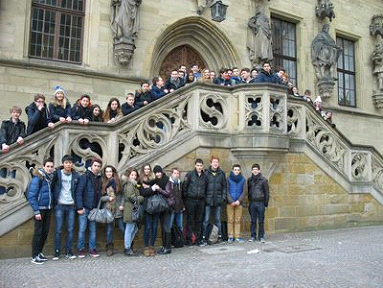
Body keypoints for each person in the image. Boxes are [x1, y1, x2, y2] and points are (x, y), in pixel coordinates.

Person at [52, 155, 80, 260]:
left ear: (72, 164)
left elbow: (78, 191)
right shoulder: (57, 174)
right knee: (58, 229)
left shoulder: (76, 175)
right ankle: (57, 251)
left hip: (71, 205)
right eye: (66, 162)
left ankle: (69, 251)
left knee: (70, 229)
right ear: (63, 163)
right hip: (59, 204)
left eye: (70, 163)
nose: (68, 164)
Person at [27, 158, 55, 264]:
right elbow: (32, 196)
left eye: (51, 166)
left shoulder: (50, 177)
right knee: (38, 232)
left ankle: (39, 252)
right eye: (47, 166)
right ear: (43, 167)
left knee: (45, 231)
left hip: (48, 208)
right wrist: (36, 211)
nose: (49, 168)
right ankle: (34, 256)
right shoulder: (38, 178)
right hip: (40, 209)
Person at [75, 158, 103, 258]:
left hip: (94, 208)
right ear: (91, 166)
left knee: (93, 229)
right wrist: (79, 207)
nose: (97, 168)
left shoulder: (100, 178)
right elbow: (79, 192)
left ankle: (92, 249)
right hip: (84, 208)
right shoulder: (85, 176)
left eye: (99, 166)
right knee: (82, 229)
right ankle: (81, 249)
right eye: (95, 166)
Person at [0, 106, 26, 194]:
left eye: (18, 113)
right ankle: (2, 191)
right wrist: (3, 143)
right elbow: (2, 134)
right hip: (5, 149)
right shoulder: (5, 123)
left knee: (13, 169)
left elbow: (23, 132)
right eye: (14, 112)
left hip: (15, 149)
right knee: (3, 169)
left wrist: (21, 137)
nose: (16, 114)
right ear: (11, 113)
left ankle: (10, 188)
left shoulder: (21, 124)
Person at [202, 156, 227, 245]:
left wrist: (223, 197)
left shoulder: (221, 173)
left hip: (218, 200)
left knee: (218, 219)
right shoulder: (206, 173)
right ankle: (204, 237)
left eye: (217, 162)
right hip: (208, 200)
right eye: (214, 162)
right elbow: (203, 187)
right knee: (206, 220)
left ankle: (219, 236)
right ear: (210, 163)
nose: (215, 163)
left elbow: (224, 187)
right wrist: (205, 198)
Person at [182, 158, 207, 246]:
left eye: (200, 166)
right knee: (190, 220)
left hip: (200, 201)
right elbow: (184, 187)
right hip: (191, 200)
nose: (199, 167)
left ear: (202, 166)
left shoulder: (205, 175)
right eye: (198, 165)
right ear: (195, 166)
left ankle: (198, 239)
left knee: (199, 221)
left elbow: (206, 188)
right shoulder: (190, 174)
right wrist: (186, 198)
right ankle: (189, 239)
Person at [121, 167, 143, 256]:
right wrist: (141, 198)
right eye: (132, 175)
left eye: (135, 175)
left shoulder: (133, 184)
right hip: (130, 209)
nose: (134, 177)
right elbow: (132, 197)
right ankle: (127, 248)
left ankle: (128, 247)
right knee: (129, 229)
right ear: (128, 175)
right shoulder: (129, 185)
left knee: (134, 228)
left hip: (133, 208)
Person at [101, 165, 122, 256]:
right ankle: (109, 247)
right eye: (107, 172)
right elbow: (100, 198)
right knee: (109, 229)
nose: (108, 173)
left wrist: (122, 205)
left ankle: (129, 245)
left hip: (118, 209)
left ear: (113, 172)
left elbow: (122, 195)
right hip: (108, 209)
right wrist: (107, 198)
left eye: (110, 171)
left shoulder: (118, 182)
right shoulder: (103, 182)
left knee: (122, 227)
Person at [151, 165, 172, 255]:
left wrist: (158, 189)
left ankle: (168, 247)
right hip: (161, 207)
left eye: (159, 172)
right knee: (163, 227)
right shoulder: (157, 181)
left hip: (167, 206)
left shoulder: (166, 180)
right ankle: (164, 246)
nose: (158, 174)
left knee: (166, 227)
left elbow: (168, 193)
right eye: (156, 173)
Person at [138, 163, 157, 257]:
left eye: (148, 169)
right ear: (143, 170)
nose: (147, 171)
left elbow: (157, 189)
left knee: (154, 227)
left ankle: (152, 246)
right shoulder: (140, 181)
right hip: (146, 207)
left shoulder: (154, 179)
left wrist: (150, 188)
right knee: (148, 227)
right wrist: (151, 189)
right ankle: (146, 246)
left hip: (155, 206)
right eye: (145, 169)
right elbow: (142, 193)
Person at [247, 163, 269, 243]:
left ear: (259, 170)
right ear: (252, 171)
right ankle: (253, 236)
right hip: (252, 202)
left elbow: (267, 192)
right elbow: (249, 190)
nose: (255, 171)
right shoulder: (249, 180)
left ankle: (261, 236)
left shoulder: (263, 180)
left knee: (261, 221)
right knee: (253, 220)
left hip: (260, 203)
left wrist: (265, 203)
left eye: (256, 169)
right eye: (253, 170)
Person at [226, 164, 246, 243]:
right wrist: (231, 201)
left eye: (238, 170)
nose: (236, 171)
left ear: (240, 171)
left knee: (237, 220)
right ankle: (230, 236)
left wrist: (239, 201)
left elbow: (244, 191)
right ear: (232, 170)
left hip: (239, 203)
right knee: (230, 220)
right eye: (235, 170)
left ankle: (237, 236)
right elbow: (226, 191)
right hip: (230, 203)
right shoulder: (228, 179)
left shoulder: (243, 179)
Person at [165, 168, 184, 233]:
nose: (176, 175)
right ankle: (169, 241)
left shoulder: (180, 183)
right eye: (175, 173)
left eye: (177, 173)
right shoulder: (168, 183)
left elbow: (182, 195)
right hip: (171, 208)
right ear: (172, 174)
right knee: (169, 226)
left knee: (180, 226)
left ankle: (180, 241)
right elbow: (167, 194)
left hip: (179, 207)